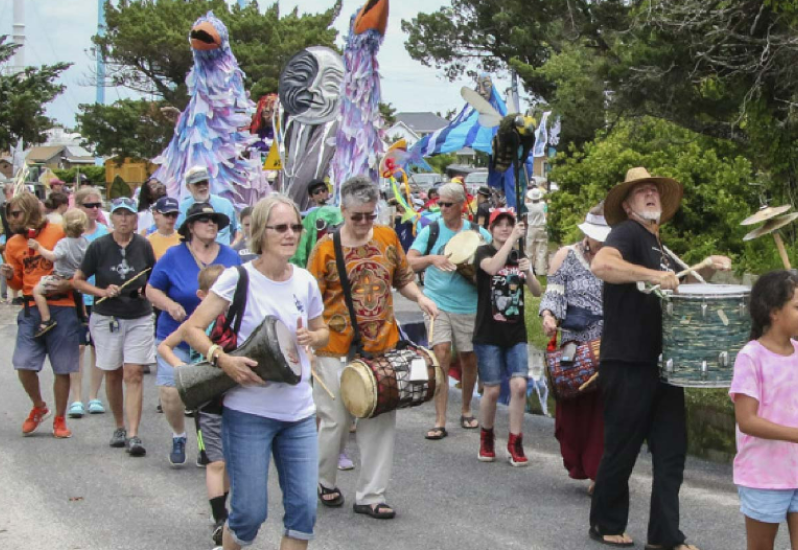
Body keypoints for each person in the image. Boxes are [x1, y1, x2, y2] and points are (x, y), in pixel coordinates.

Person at [589, 167, 732, 549]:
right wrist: (652, 275)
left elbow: (677, 287)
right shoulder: (626, 233)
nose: (651, 194)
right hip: (627, 361)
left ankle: (665, 536)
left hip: (665, 365)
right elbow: (602, 265)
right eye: (642, 191)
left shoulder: (660, 248)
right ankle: (605, 523)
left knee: (671, 453)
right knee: (622, 448)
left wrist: (704, 266)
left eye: (654, 190)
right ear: (627, 205)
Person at [183, 194, 329, 550]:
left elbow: (322, 331)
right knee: (248, 515)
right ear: (261, 232)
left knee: (304, 513)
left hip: (298, 412)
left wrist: (314, 337)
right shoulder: (237, 278)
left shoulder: (305, 281)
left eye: (295, 227)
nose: (290, 234)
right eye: (281, 227)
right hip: (249, 412)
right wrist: (222, 359)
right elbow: (192, 329)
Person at [308, 176, 438, 519]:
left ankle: (371, 495)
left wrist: (421, 298)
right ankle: (323, 479)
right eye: (358, 216)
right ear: (343, 211)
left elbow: (403, 278)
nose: (365, 222)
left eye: (370, 214)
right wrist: (307, 343)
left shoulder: (387, 236)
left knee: (379, 418)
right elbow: (309, 301)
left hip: (380, 344)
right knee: (335, 419)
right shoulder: (324, 249)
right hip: (333, 346)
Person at [146, 202, 241, 466]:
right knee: (171, 391)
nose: (211, 224)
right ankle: (179, 434)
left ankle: (206, 444)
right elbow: (151, 289)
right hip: (177, 332)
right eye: (204, 220)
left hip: (217, 337)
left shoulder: (231, 256)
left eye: (215, 221)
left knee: (209, 396)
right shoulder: (173, 255)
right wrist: (169, 305)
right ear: (190, 226)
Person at [73, 197, 157, 457]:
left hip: (139, 315)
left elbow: (153, 277)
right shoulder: (99, 246)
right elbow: (78, 280)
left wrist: (146, 290)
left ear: (135, 219)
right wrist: (101, 291)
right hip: (107, 315)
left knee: (133, 372)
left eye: (128, 214)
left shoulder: (143, 245)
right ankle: (119, 426)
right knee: (112, 372)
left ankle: (133, 433)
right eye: (119, 214)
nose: (123, 219)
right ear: (111, 218)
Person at [407, 182, 491, 440]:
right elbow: (409, 261)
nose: (442, 208)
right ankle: (440, 420)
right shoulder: (431, 230)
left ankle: (466, 409)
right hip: (437, 302)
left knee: (469, 358)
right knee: (441, 353)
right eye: (439, 204)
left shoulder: (478, 233)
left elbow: (493, 265)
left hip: (469, 305)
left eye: (447, 204)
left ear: (461, 205)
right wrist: (432, 259)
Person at [540, 203, 610, 494]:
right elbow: (553, 294)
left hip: (607, 343)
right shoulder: (566, 255)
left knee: (603, 410)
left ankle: (600, 473)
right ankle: (580, 462)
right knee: (573, 406)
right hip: (574, 341)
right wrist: (548, 315)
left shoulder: (618, 258)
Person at [157, 264, 229, 546]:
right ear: (202, 295)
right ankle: (220, 519)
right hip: (207, 397)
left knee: (230, 462)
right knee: (216, 461)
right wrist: (182, 368)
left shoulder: (240, 316)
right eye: (217, 293)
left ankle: (223, 508)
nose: (224, 298)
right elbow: (165, 346)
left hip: (236, 396)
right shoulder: (196, 323)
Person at [2, 191, 81, 439]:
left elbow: (80, 265)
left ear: (29, 211)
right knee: (23, 364)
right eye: (9, 215)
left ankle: (60, 418)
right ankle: (39, 406)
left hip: (62, 305)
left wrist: (69, 284)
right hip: (30, 309)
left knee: (62, 367)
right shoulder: (13, 244)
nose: (11, 219)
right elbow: (17, 284)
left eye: (15, 214)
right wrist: (8, 276)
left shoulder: (58, 232)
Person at [730, 270, 798, 550]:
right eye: (797, 306)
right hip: (764, 476)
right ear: (774, 312)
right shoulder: (751, 357)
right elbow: (747, 421)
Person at [473, 207, 541, 466]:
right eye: (499, 224)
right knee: (491, 390)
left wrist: (529, 271)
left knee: (520, 385)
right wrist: (512, 240)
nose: (504, 228)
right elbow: (492, 268)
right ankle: (486, 436)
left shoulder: (518, 255)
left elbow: (536, 291)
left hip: (515, 333)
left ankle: (515, 441)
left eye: (509, 224)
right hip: (488, 332)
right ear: (490, 229)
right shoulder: (483, 252)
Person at [68, 186, 111, 418]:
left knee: (98, 347)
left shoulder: (105, 232)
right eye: (89, 205)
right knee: (77, 347)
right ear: (78, 206)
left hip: (99, 295)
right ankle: (76, 398)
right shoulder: (70, 234)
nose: (95, 209)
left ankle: (94, 396)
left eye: (98, 205)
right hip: (75, 296)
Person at [30, 208, 89, 338]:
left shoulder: (64, 243)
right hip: (76, 277)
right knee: (78, 293)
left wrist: (39, 248)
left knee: (37, 291)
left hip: (61, 277)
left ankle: (46, 319)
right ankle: (84, 316)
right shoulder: (85, 242)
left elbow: (53, 257)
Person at [178, 166, 239, 246]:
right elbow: (176, 235)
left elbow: (237, 228)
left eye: (205, 182)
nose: (202, 186)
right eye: (197, 184)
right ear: (188, 187)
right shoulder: (182, 209)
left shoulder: (225, 204)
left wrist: (233, 246)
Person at [146, 197, 181, 261]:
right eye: (167, 214)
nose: (171, 218)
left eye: (174, 215)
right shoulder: (148, 242)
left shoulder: (184, 239)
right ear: (156, 215)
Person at [524, 187, 548, 275]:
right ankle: (540, 270)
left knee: (529, 251)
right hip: (542, 227)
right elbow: (546, 213)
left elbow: (524, 202)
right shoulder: (543, 205)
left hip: (531, 228)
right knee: (541, 250)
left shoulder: (527, 206)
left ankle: (529, 270)